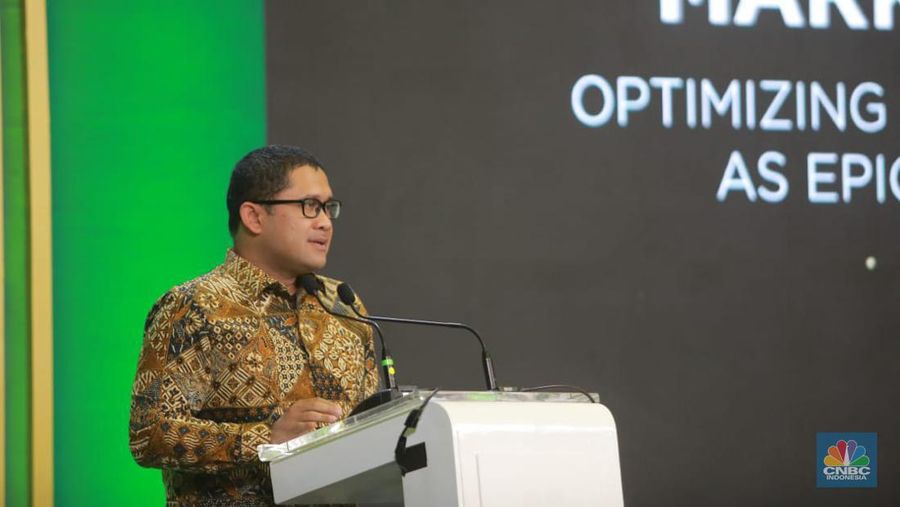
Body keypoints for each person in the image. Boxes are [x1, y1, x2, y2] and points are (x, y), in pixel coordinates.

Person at [129, 145, 379, 506]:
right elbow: (149, 433)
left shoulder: (342, 303)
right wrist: (265, 439)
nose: (325, 222)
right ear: (254, 217)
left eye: (329, 208)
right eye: (310, 206)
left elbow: (370, 423)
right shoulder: (195, 306)